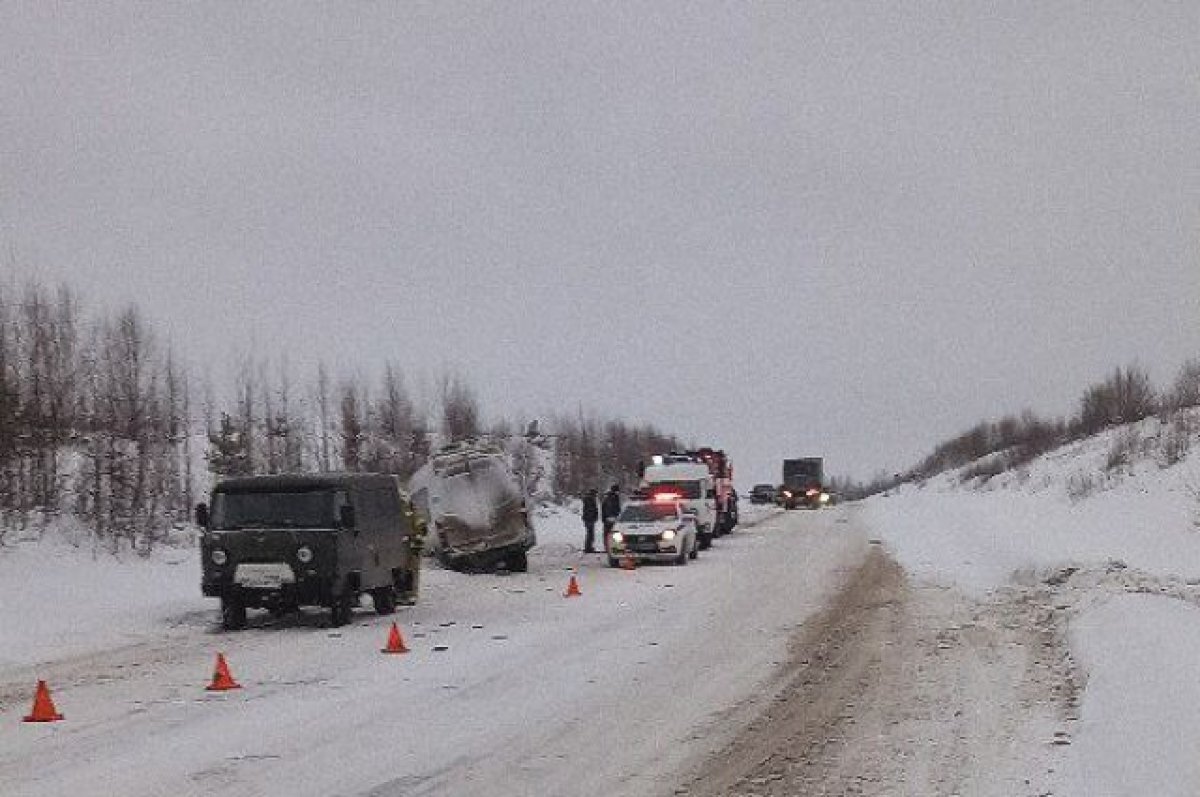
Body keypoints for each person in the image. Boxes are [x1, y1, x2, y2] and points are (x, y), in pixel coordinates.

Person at [601, 483, 621, 549]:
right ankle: (615, 547)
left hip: (608, 519)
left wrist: (603, 518)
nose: (618, 492)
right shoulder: (614, 498)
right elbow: (616, 509)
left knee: (608, 534)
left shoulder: (607, 497)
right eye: (617, 491)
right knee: (615, 534)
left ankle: (608, 547)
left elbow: (603, 509)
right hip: (613, 518)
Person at [581, 489, 599, 553]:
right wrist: (593, 517)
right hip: (589, 519)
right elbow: (591, 510)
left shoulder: (589, 499)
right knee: (590, 534)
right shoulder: (590, 500)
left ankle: (589, 547)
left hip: (588, 519)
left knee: (590, 534)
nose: (596, 496)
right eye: (595, 494)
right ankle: (588, 548)